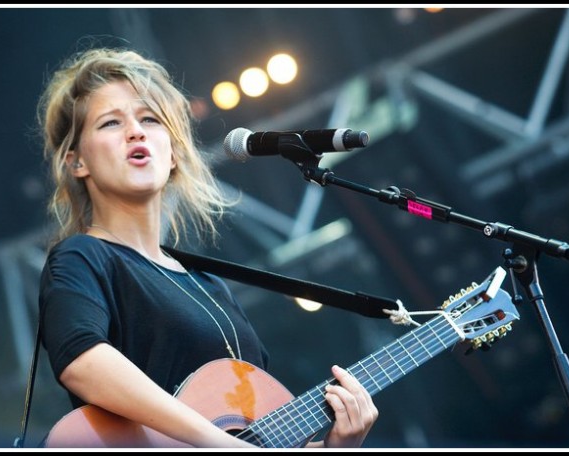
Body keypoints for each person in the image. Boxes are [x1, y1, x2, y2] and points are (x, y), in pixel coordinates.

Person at [36, 46, 378, 448]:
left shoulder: (210, 286)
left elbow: (258, 436)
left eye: (150, 119)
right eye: (111, 123)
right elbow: (83, 362)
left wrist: (338, 446)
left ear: (175, 153)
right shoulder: (82, 257)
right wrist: (220, 444)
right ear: (77, 163)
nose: (136, 131)